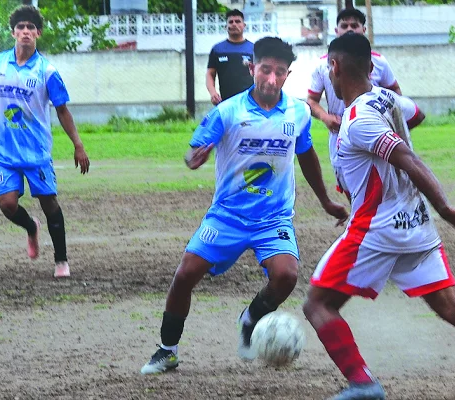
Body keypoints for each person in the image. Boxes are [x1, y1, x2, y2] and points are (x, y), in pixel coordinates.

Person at [302, 33, 455, 400]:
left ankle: (363, 385)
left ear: (333, 67)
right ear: (371, 67)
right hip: (416, 225)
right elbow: (416, 114)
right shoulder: (389, 98)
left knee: (317, 303)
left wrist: (446, 208)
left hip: (377, 228)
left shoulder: (358, 120)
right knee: (448, 304)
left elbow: (407, 159)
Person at [141, 37, 349, 375]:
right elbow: (192, 152)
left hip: (273, 217)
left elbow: (306, 153)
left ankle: (250, 319)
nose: (270, 78)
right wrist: (196, 157)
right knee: (185, 275)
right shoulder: (227, 111)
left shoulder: (298, 112)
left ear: (287, 75)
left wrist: (325, 200)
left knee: (287, 276)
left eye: (279, 72)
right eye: (265, 69)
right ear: (252, 68)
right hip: (227, 215)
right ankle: (167, 350)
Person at [0, 5, 90, 278]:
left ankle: (61, 260)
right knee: (6, 205)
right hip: (3, 151)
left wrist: (78, 144)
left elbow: (62, 110)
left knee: (49, 202)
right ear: (13, 32)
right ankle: (31, 227)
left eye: (30, 28)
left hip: (36, 151)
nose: (25, 32)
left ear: (38, 32)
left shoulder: (47, 71)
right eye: (20, 28)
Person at [307, 8, 416, 200]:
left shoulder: (379, 61)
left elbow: (396, 93)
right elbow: (311, 101)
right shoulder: (322, 65)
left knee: (383, 184)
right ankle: (360, 217)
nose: (349, 29)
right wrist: (326, 117)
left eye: (354, 25)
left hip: (372, 132)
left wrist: (390, 124)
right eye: (344, 25)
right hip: (340, 135)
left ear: (363, 29)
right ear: (336, 30)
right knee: (351, 186)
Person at [206, 9, 254, 105]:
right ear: (226, 26)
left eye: (238, 21)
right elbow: (210, 74)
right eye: (230, 22)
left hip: (249, 103)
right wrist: (213, 93)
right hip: (225, 103)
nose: (234, 24)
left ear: (244, 25)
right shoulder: (217, 49)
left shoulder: (253, 49)